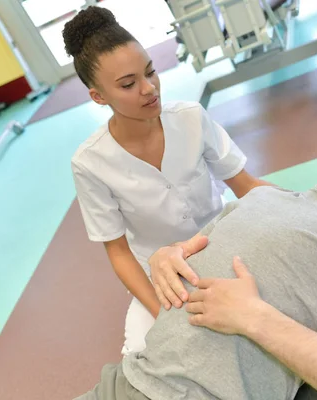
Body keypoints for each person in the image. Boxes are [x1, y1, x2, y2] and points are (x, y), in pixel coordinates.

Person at [76, 131, 317, 400]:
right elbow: (189, 254)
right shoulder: (264, 196)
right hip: (127, 379)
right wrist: (166, 255)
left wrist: (252, 317)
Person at [63, 6, 271, 356]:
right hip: (161, 276)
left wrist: (308, 206)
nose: (149, 89)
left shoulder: (189, 117)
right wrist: (162, 313)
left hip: (224, 243)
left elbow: (245, 185)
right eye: (128, 84)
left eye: (150, 72)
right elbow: (118, 252)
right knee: (144, 354)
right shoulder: (90, 163)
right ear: (99, 96)